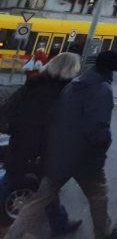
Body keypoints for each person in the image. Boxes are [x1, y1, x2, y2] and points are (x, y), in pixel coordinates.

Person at [5, 50, 117, 239]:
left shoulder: (73, 85)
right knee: (98, 194)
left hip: (58, 153)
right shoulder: (101, 88)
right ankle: (103, 233)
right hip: (84, 156)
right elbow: (98, 127)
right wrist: (102, 149)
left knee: (39, 199)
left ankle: (13, 235)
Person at [0, 53, 83, 237]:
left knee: (20, 182)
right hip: (45, 150)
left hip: (21, 145)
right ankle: (59, 224)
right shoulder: (66, 93)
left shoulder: (33, 85)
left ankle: (60, 222)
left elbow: (7, 111)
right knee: (46, 188)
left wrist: (17, 130)